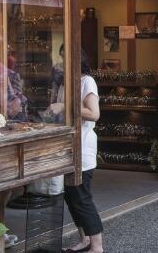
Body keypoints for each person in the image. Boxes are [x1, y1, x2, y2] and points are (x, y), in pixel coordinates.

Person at [62, 51, 104, 253]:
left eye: (65, 58)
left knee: (81, 196)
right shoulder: (65, 82)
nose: (61, 62)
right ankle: (84, 239)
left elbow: (94, 114)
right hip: (66, 147)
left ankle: (97, 246)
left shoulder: (87, 82)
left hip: (83, 146)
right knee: (70, 196)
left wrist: (63, 106)